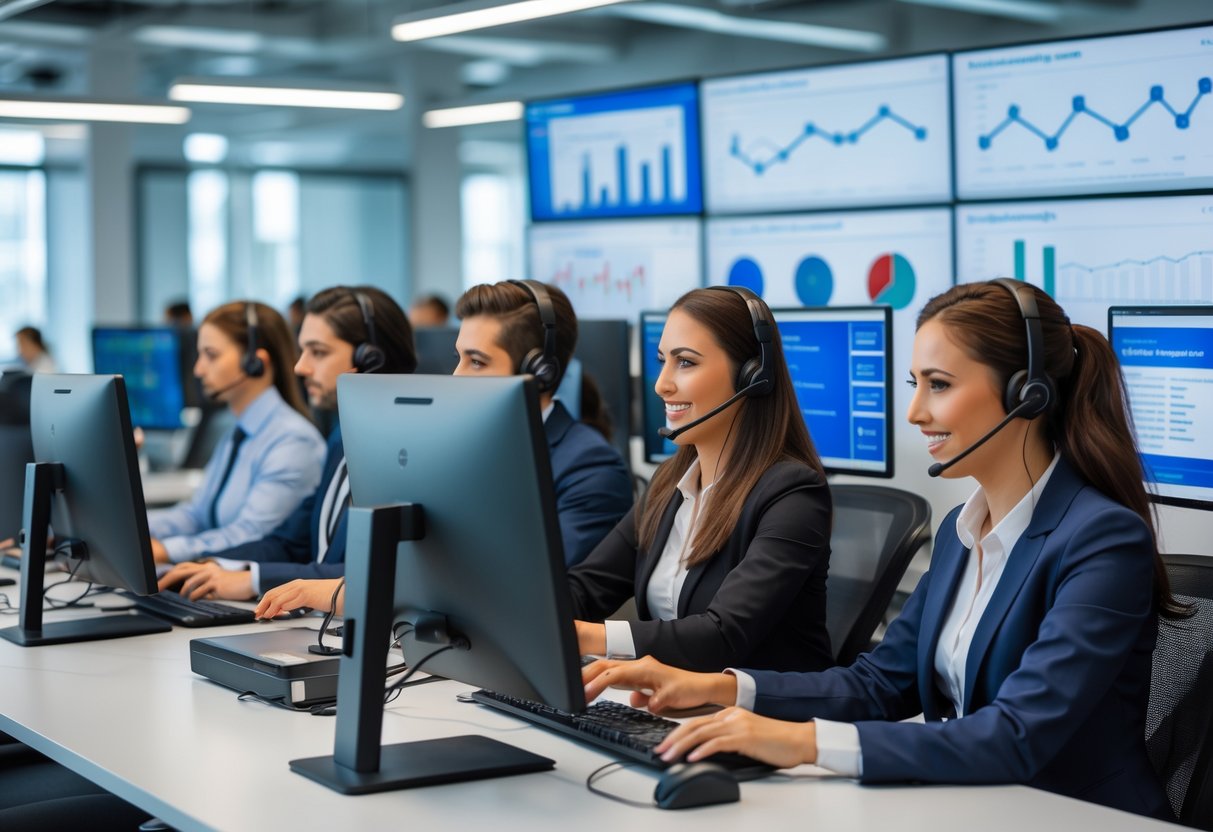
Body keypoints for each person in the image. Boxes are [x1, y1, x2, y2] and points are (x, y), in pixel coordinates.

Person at [581, 279, 1179, 821]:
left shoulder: (1102, 540)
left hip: (1073, 815)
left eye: (939, 386)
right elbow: (879, 684)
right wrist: (723, 689)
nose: (916, 412)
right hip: (974, 803)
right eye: (915, 385)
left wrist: (801, 742)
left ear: (1027, 395)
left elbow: (1017, 735)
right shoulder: (959, 531)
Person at [255, 279, 634, 619]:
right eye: (459, 358)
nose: (456, 378)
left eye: (477, 361)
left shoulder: (590, 469)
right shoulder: (448, 452)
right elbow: (408, 563)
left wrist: (350, 593)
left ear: (538, 374)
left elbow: (535, 596)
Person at [565, 286, 832, 674]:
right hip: (671, 706)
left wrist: (589, 638)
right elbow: (587, 588)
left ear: (751, 376)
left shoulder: (793, 494)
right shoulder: (668, 484)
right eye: (663, 361)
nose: (662, 384)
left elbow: (721, 636)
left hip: (762, 721)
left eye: (685, 363)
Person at [156, 288, 417, 601]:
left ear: (371, 360)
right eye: (302, 350)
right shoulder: (341, 438)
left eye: (318, 352)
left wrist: (251, 581)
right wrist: (217, 565)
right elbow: (292, 541)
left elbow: (374, 572)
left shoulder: (407, 456)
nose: (300, 367)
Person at [147, 301, 326, 564]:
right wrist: (131, 528)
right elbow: (197, 514)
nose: (198, 369)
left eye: (211, 354)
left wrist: (165, 551)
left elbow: (251, 535)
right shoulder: (237, 431)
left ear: (255, 362)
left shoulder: (293, 442)